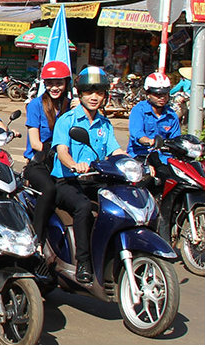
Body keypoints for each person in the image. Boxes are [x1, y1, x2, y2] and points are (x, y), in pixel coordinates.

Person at [51, 66, 127, 283]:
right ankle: (83, 262)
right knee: (84, 207)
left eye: (99, 92)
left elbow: (115, 150)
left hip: (95, 180)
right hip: (67, 181)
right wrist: (75, 165)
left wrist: (133, 163)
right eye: (89, 92)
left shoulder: (105, 124)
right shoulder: (67, 120)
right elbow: (62, 151)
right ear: (80, 93)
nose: (94, 97)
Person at [22, 61, 72, 254]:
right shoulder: (35, 105)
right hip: (40, 162)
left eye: (59, 83)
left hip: (65, 161)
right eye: (50, 83)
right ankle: (37, 240)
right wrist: (56, 149)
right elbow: (35, 143)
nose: (54, 88)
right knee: (49, 189)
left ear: (67, 83)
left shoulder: (71, 107)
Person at [127, 72, 180, 163]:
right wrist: (149, 141)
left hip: (165, 157)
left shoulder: (171, 115)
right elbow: (137, 133)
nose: (162, 98)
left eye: (165, 94)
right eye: (157, 94)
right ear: (148, 94)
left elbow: (176, 138)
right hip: (141, 154)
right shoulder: (139, 110)